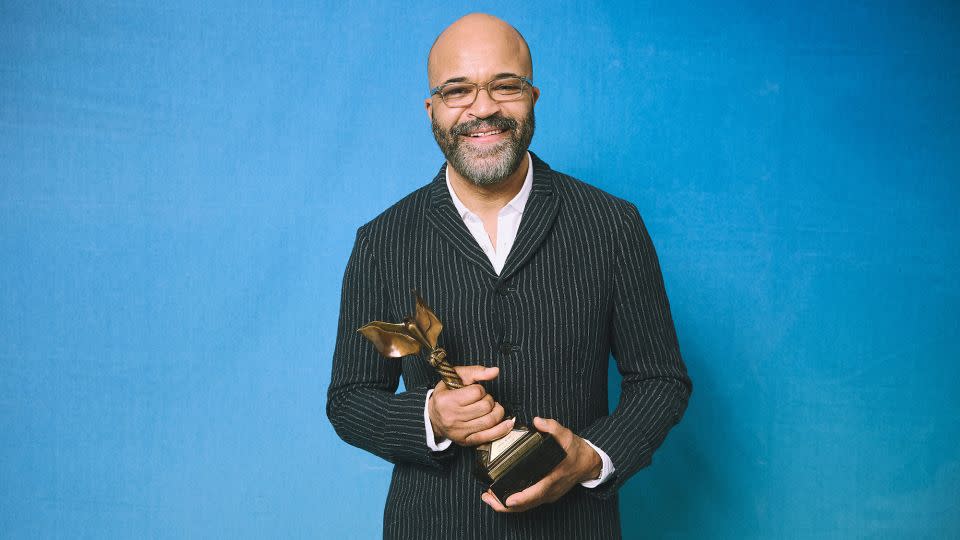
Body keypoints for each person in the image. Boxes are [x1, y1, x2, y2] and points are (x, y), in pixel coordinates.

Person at [327, 13, 691, 539]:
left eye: (505, 85)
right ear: (432, 110)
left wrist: (590, 458)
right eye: (458, 91)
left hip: (574, 528)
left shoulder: (612, 224)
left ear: (533, 97)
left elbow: (660, 380)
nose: (483, 108)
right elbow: (351, 399)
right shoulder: (382, 241)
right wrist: (431, 417)